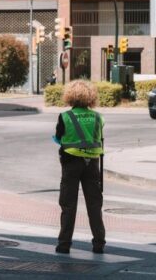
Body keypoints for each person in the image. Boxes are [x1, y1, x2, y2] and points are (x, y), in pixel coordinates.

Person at [53, 80, 106, 254]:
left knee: (68, 204)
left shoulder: (65, 116)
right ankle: (99, 243)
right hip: (92, 164)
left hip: (71, 162)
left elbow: (58, 137)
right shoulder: (98, 117)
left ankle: (64, 244)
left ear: (70, 96)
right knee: (94, 205)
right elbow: (99, 137)